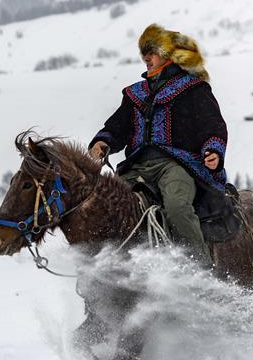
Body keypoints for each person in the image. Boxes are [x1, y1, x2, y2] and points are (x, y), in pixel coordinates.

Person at [89, 24, 227, 266]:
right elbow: (117, 127)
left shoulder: (194, 89)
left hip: (177, 165)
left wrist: (213, 150)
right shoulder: (134, 94)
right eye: (144, 54)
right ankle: (106, 270)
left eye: (151, 52)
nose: (146, 58)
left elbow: (212, 125)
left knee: (177, 207)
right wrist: (103, 141)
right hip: (135, 167)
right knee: (103, 206)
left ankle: (201, 269)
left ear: (169, 56)